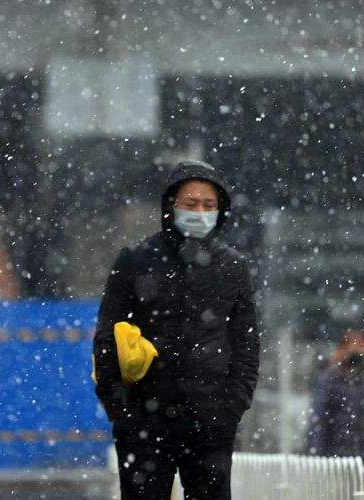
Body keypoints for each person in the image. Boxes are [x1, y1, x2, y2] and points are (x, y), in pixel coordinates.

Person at [92, 160, 260, 500]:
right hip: (143, 418)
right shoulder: (135, 261)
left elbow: (246, 345)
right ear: (171, 206)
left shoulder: (233, 269)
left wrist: (232, 408)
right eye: (191, 203)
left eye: (208, 205)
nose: (200, 212)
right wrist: (121, 411)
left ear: (221, 210)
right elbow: (107, 337)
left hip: (211, 421)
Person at [305, 329, 364, 459]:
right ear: (342, 350)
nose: (356, 352)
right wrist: (316, 453)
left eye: (360, 347)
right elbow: (319, 419)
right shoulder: (329, 380)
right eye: (352, 347)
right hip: (336, 454)